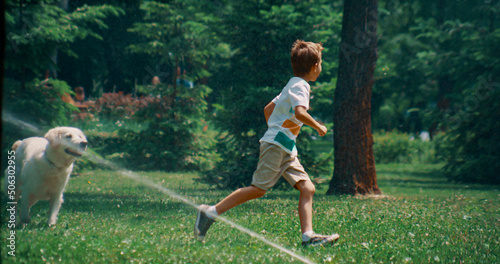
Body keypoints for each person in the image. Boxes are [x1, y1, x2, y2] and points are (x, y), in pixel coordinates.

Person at [194, 40, 339, 246]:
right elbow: (300, 112)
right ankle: (210, 212)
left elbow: (268, 109)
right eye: (321, 63)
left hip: (286, 147)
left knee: (307, 188)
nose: (321, 67)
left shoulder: (291, 84)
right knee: (258, 189)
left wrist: (276, 130)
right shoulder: (302, 86)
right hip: (277, 146)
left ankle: (308, 236)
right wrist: (318, 126)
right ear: (315, 66)